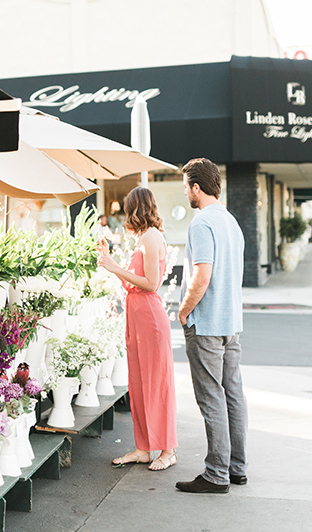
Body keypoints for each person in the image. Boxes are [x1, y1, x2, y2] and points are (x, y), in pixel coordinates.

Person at [175, 158, 247, 494]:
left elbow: (202, 275)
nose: (185, 192)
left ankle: (216, 474)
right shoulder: (231, 222)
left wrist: (184, 310)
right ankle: (236, 468)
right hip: (231, 323)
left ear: (196, 187)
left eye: (186, 186)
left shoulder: (201, 223)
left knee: (211, 398)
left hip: (206, 324)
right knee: (233, 394)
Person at [97, 187, 178, 471]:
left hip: (150, 318)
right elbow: (133, 283)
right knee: (140, 384)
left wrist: (115, 267)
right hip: (138, 317)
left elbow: (152, 284)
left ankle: (168, 450)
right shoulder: (144, 238)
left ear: (135, 208)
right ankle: (144, 448)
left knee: (157, 383)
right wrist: (112, 264)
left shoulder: (151, 237)